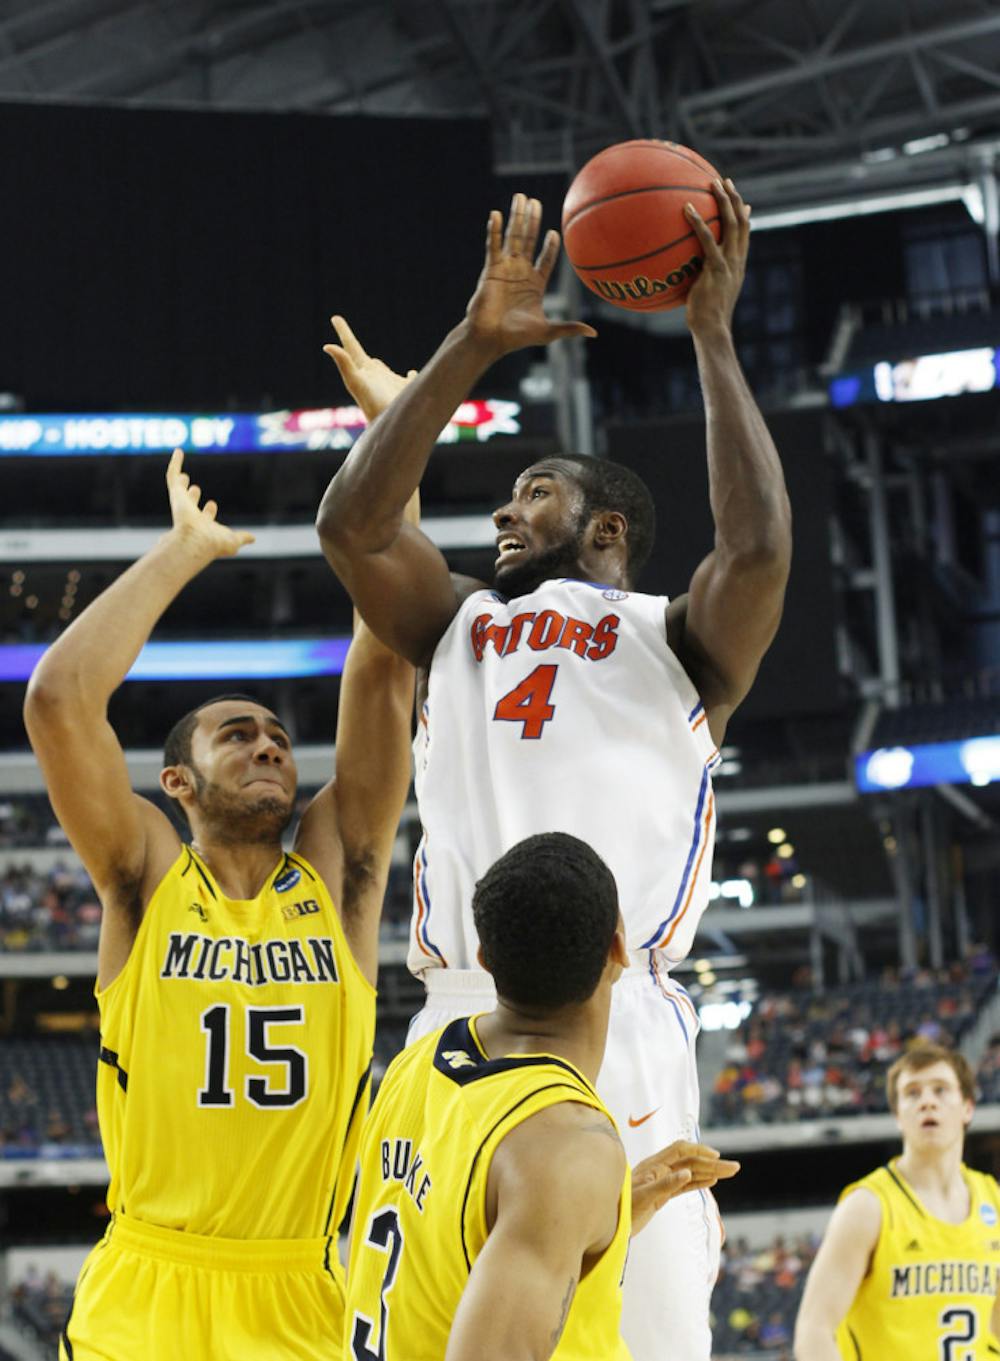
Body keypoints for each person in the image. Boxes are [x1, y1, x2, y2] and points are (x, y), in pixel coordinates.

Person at [317, 182, 790, 1361]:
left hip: (608, 1015)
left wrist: (710, 335)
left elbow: (760, 546)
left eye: (537, 492)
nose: (506, 511)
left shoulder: (675, 640)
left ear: (609, 529)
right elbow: (353, 528)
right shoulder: (456, 624)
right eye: (509, 492)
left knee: (645, 1336)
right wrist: (471, 343)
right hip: (458, 1013)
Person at [24, 450, 414, 1361]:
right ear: (177, 784)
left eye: (278, 736)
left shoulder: (336, 873)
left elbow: (387, 661)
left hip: (299, 1290)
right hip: (147, 1288)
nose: (268, 746)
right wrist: (184, 549)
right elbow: (58, 700)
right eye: (235, 736)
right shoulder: (148, 874)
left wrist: (398, 443)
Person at [344, 831, 739, 1361]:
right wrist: (570, 1192)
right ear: (620, 948)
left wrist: (602, 1219)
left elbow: (448, 1244)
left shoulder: (415, 1063)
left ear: (485, 958)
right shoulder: (565, 1151)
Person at [794, 1040, 1000, 1360]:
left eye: (941, 1090)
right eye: (912, 1093)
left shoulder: (994, 1201)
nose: (927, 1102)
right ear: (897, 1115)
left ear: (968, 1107)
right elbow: (813, 1330)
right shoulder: (868, 1207)